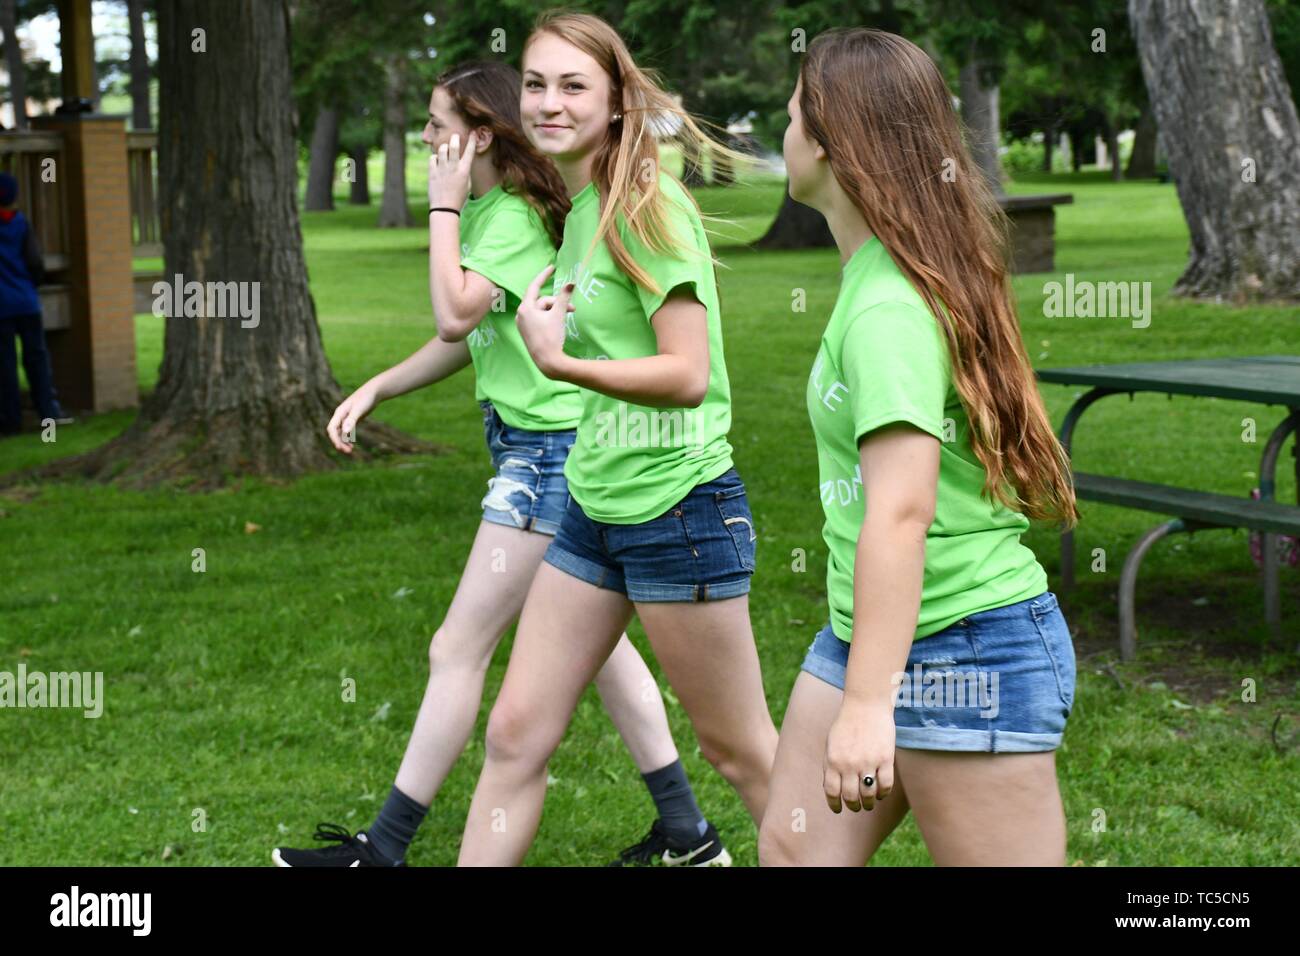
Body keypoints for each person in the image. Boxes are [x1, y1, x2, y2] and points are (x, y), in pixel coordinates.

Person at [273, 60, 724, 868]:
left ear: (479, 135)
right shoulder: (494, 212)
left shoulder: (507, 214)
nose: (425, 136)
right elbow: (472, 336)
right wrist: (381, 385)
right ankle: (689, 834)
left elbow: (453, 312)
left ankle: (385, 848)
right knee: (604, 656)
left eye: (438, 123)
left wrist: (441, 205)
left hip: (545, 463)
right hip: (546, 454)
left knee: (457, 648)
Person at [454, 12, 778, 867]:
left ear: (617, 100)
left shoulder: (646, 206)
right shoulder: (584, 207)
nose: (548, 102)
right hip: (593, 507)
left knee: (741, 752)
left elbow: (687, 373)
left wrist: (559, 366)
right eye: (535, 83)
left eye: (573, 86)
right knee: (516, 733)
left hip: (678, 507)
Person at [756, 28, 1079, 867]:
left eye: (792, 115)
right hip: (865, 631)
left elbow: (901, 512)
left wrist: (868, 708)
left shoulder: (888, 309)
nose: (782, 133)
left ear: (829, 143)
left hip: (963, 639)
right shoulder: (889, 272)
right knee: (795, 854)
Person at [0, 171, 71, 436]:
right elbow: (34, 262)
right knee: (37, 359)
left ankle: (11, 419)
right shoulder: (20, 223)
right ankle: (48, 412)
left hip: (2, 308)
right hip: (27, 302)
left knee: (5, 364)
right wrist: (33, 284)